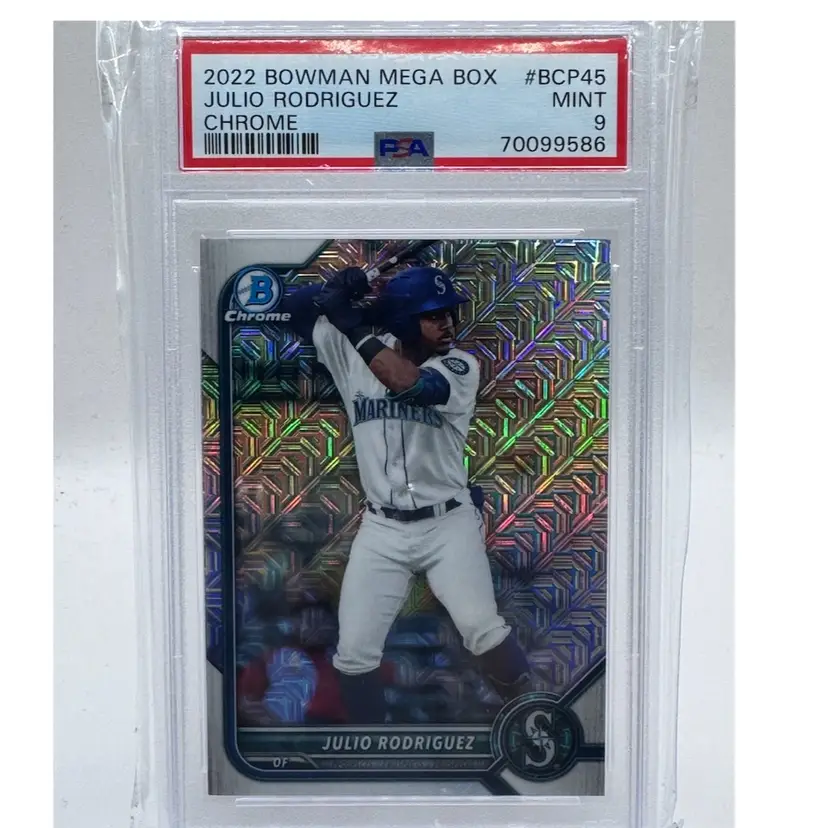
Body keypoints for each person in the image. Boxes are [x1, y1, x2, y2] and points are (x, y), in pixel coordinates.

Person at [282, 265, 529, 723]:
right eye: (432, 315)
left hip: (447, 524)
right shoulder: (349, 352)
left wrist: (354, 322)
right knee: (354, 652)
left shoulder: (459, 366)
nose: (447, 323)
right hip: (381, 529)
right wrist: (343, 292)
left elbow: (410, 384)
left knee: (481, 627)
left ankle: (531, 717)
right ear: (402, 319)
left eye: (448, 313)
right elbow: (293, 307)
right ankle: (369, 747)